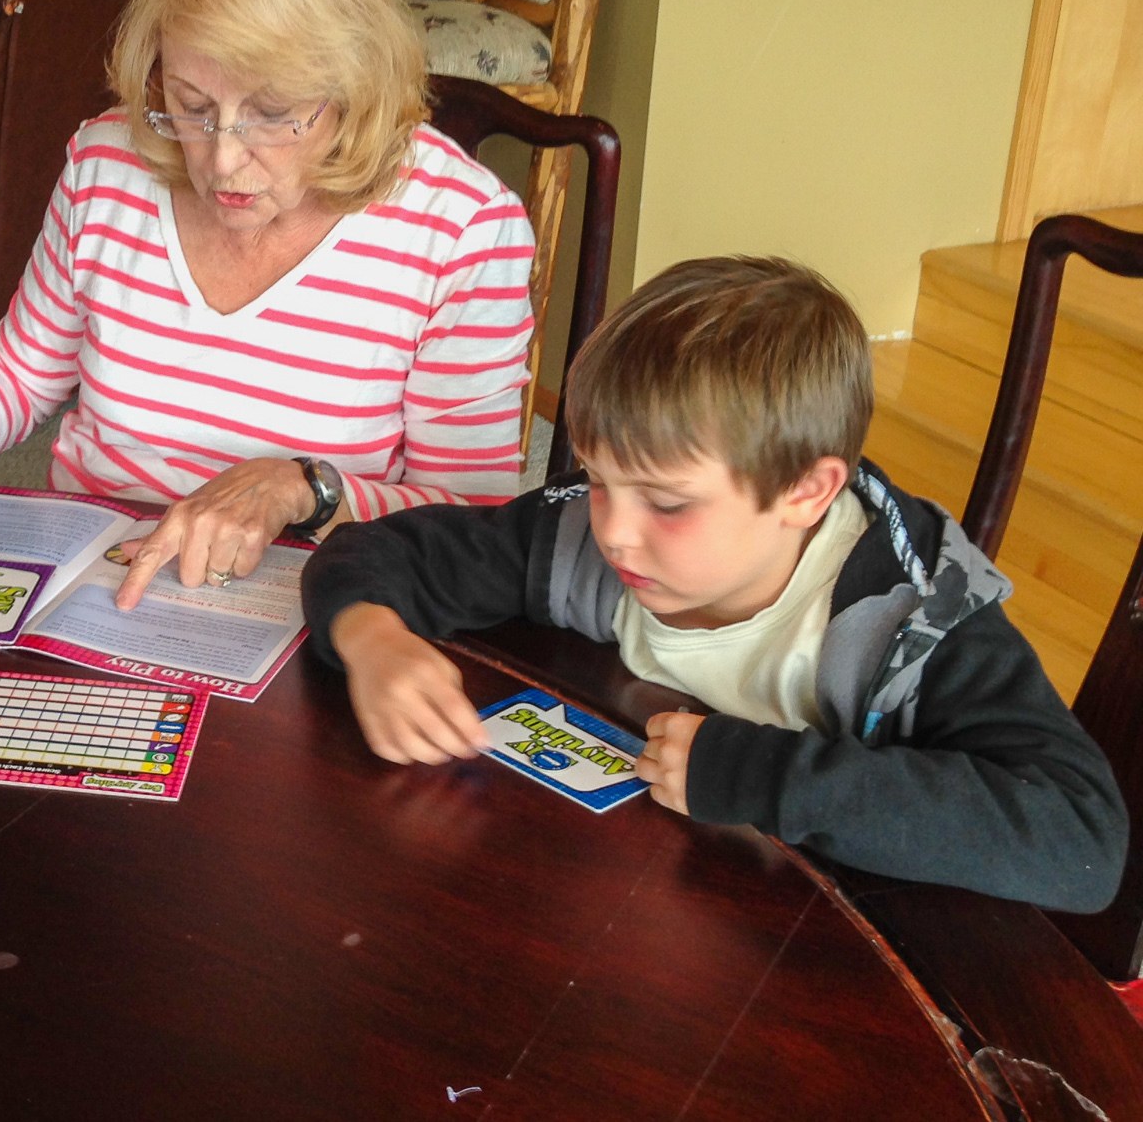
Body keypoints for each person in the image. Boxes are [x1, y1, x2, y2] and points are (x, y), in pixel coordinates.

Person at [301, 256, 1126, 911]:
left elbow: (1078, 840)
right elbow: (376, 553)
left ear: (806, 491)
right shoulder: (588, 535)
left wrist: (758, 774)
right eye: (596, 479)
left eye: (666, 503)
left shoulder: (914, 619)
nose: (614, 529)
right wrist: (369, 636)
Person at [0, 0, 537, 607]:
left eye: (272, 112)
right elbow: (23, 367)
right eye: (190, 104)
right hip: (97, 586)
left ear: (353, 85)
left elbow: (470, 524)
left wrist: (304, 489)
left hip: (319, 611)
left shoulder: (463, 229)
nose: (220, 159)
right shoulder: (107, 163)